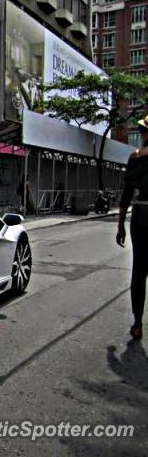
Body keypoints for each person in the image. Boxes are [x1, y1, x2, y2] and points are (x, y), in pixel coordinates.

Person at [117, 115, 148, 340]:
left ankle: (138, 324)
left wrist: (120, 226)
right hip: (141, 215)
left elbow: (127, 195)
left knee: (139, 272)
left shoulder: (136, 158)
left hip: (141, 216)